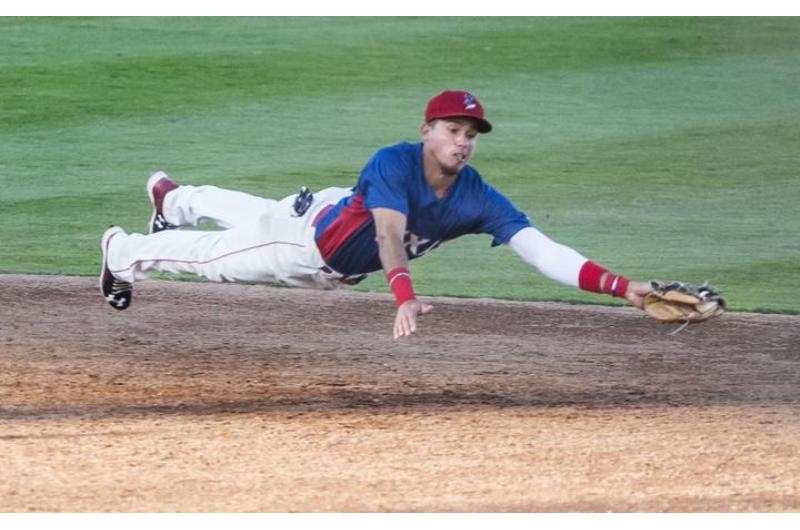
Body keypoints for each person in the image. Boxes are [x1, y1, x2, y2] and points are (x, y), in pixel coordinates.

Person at [100, 89, 652, 339]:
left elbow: (541, 250)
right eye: (453, 130)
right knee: (217, 259)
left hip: (327, 210)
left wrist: (623, 287)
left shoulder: (477, 197)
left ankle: (175, 200)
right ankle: (122, 252)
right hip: (305, 248)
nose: (463, 142)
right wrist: (405, 295)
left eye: (471, 134)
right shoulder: (394, 162)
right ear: (427, 131)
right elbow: (389, 234)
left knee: (263, 212)